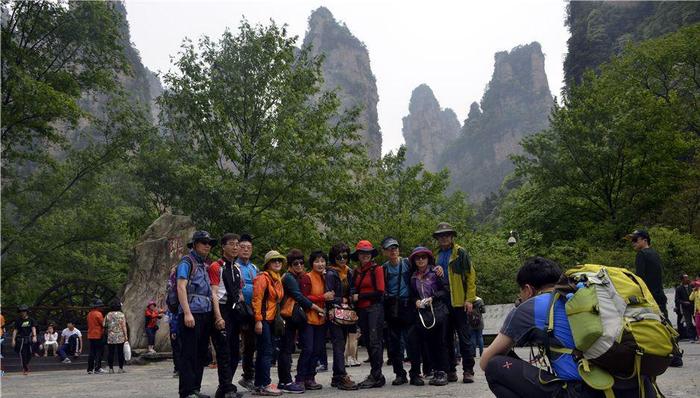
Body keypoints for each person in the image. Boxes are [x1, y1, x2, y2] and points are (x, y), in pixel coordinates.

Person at [481, 256, 659, 397]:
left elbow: (485, 361)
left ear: (528, 289)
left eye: (520, 291)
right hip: (639, 387)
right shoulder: (584, 296)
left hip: (587, 392)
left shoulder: (530, 306)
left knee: (495, 366)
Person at [432, 222, 477, 383]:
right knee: (446, 338)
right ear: (437, 238)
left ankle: (468, 370)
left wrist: (469, 299)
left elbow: (470, 276)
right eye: (440, 236)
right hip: (444, 302)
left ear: (451, 237)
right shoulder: (436, 255)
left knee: (464, 337)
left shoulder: (460, 253)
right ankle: (451, 370)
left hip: (459, 301)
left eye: (446, 235)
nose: (444, 238)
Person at [176, 230, 217, 398]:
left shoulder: (204, 264)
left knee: (200, 353)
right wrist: (187, 313)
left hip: (205, 313)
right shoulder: (187, 262)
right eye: (203, 242)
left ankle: (195, 388)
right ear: (195, 244)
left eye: (209, 243)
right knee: (189, 353)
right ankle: (186, 391)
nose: (207, 246)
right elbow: (181, 286)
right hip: (191, 313)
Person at [278, 249, 322, 393]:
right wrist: (316, 307)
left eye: (301, 263)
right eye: (295, 263)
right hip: (287, 317)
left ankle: (305, 377)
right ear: (289, 265)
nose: (299, 265)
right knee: (286, 349)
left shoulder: (300, 276)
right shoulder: (289, 277)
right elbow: (299, 297)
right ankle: (285, 381)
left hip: (298, 318)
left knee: (308, 348)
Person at [380, 236, 421, 385]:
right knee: (395, 343)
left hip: (408, 305)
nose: (393, 251)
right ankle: (400, 374)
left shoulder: (407, 264)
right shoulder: (384, 268)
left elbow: (423, 270)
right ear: (384, 252)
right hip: (392, 308)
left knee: (412, 342)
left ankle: (415, 373)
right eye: (390, 249)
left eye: (395, 248)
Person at [208, 232, 244, 398]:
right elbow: (214, 293)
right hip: (221, 309)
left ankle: (225, 387)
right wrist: (218, 317)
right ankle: (227, 388)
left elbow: (240, 291)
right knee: (223, 351)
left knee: (235, 351)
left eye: (237, 244)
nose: (235, 247)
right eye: (231, 244)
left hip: (234, 311)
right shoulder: (216, 266)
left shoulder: (236, 268)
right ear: (223, 246)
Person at [409, 246, 450, 386]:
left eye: (423, 257)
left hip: (438, 311)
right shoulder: (413, 276)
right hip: (422, 314)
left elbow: (445, 290)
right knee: (426, 343)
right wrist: (416, 301)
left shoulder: (436, 272)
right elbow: (412, 294)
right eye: (417, 257)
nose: (420, 260)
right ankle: (430, 371)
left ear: (428, 259)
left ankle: (442, 372)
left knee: (440, 342)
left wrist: (433, 297)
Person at [350, 240, 386, 388]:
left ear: (371, 255)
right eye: (362, 253)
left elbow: (380, 291)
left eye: (368, 253)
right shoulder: (356, 271)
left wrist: (360, 297)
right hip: (362, 310)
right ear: (358, 255)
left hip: (374, 309)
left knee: (375, 342)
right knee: (369, 343)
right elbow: (354, 289)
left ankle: (377, 375)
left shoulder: (376, 269)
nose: (365, 255)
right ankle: (375, 374)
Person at [251, 250, 286, 396]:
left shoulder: (277, 279)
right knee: (266, 352)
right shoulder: (263, 278)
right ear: (268, 264)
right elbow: (256, 299)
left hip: (271, 320)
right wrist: (258, 320)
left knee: (266, 352)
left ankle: (260, 384)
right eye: (274, 261)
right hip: (263, 320)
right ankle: (264, 384)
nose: (277, 262)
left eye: (279, 260)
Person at [325, 242, 359, 389]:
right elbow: (328, 295)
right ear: (333, 257)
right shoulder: (331, 273)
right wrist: (343, 299)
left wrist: (351, 296)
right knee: (338, 344)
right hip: (335, 313)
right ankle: (340, 376)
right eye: (339, 256)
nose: (342, 259)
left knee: (343, 343)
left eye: (345, 256)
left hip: (347, 313)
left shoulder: (349, 272)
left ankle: (336, 376)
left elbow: (352, 288)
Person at [299, 250, 332, 390]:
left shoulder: (326, 277)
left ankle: (310, 378)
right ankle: (300, 378)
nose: (320, 264)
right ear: (312, 263)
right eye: (317, 261)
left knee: (318, 349)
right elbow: (304, 297)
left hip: (322, 319)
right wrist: (322, 297)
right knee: (308, 349)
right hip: (308, 319)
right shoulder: (307, 277)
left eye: (322, 261)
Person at [627, 229, 668, 319]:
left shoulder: (641, 254)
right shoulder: (655, 253)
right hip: (660, 295)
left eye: (635, 240)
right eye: (631, 241)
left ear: (645, 240)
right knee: (665, 325)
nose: (633, 243)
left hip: (649, 297)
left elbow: (639, 278)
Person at [236, 234, 259, 391]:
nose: (245, 250)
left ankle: (248, 376)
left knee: (251, 344)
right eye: (242, 247)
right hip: (238, 310)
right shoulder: (233, 266)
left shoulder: (254, 267)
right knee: (236, 344)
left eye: (248, 248)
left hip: (253, 310)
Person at [104, 299, 128, 373]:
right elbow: (124, 326)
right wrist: (126, 336)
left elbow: (104, 324)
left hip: (111, 336)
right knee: (120, 352)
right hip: (120, 335)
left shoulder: (108, 314)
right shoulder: (121, 314)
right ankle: (120, 368)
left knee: (110, 352)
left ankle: (111, 369)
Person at [12, 304, 37, 374]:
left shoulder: (31, 320)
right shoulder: (18, 320)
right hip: (21, 339)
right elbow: (15, 330)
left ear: (26, 312)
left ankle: (26, 365)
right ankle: (25, 369)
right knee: (23, 354)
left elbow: (33, 328)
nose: (22, 312)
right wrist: (13, 339)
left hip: (29, 338)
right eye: (21, 311)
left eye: (24, 311)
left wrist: (34, 336)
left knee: (30, 353)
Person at [87, 299, 106, 374]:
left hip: (90, 335)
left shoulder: (89, 314)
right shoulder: (98, 314)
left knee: (92, 352)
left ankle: (90, 369)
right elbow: (103, 324)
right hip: (98, 335)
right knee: (99, 352)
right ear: (98, 307)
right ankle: (97, 368)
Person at [675, 274, 696, 340]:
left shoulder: (692, 286)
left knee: (697, 321)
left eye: (687, 277)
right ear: (682, 280)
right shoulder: (679, 288)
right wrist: (684, 302)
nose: (687, 279)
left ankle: (697, 335)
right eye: (686, 278)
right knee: (688, 323)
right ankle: (691, 337)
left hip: (694, 307)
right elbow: (677, 299)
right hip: (685, 308)